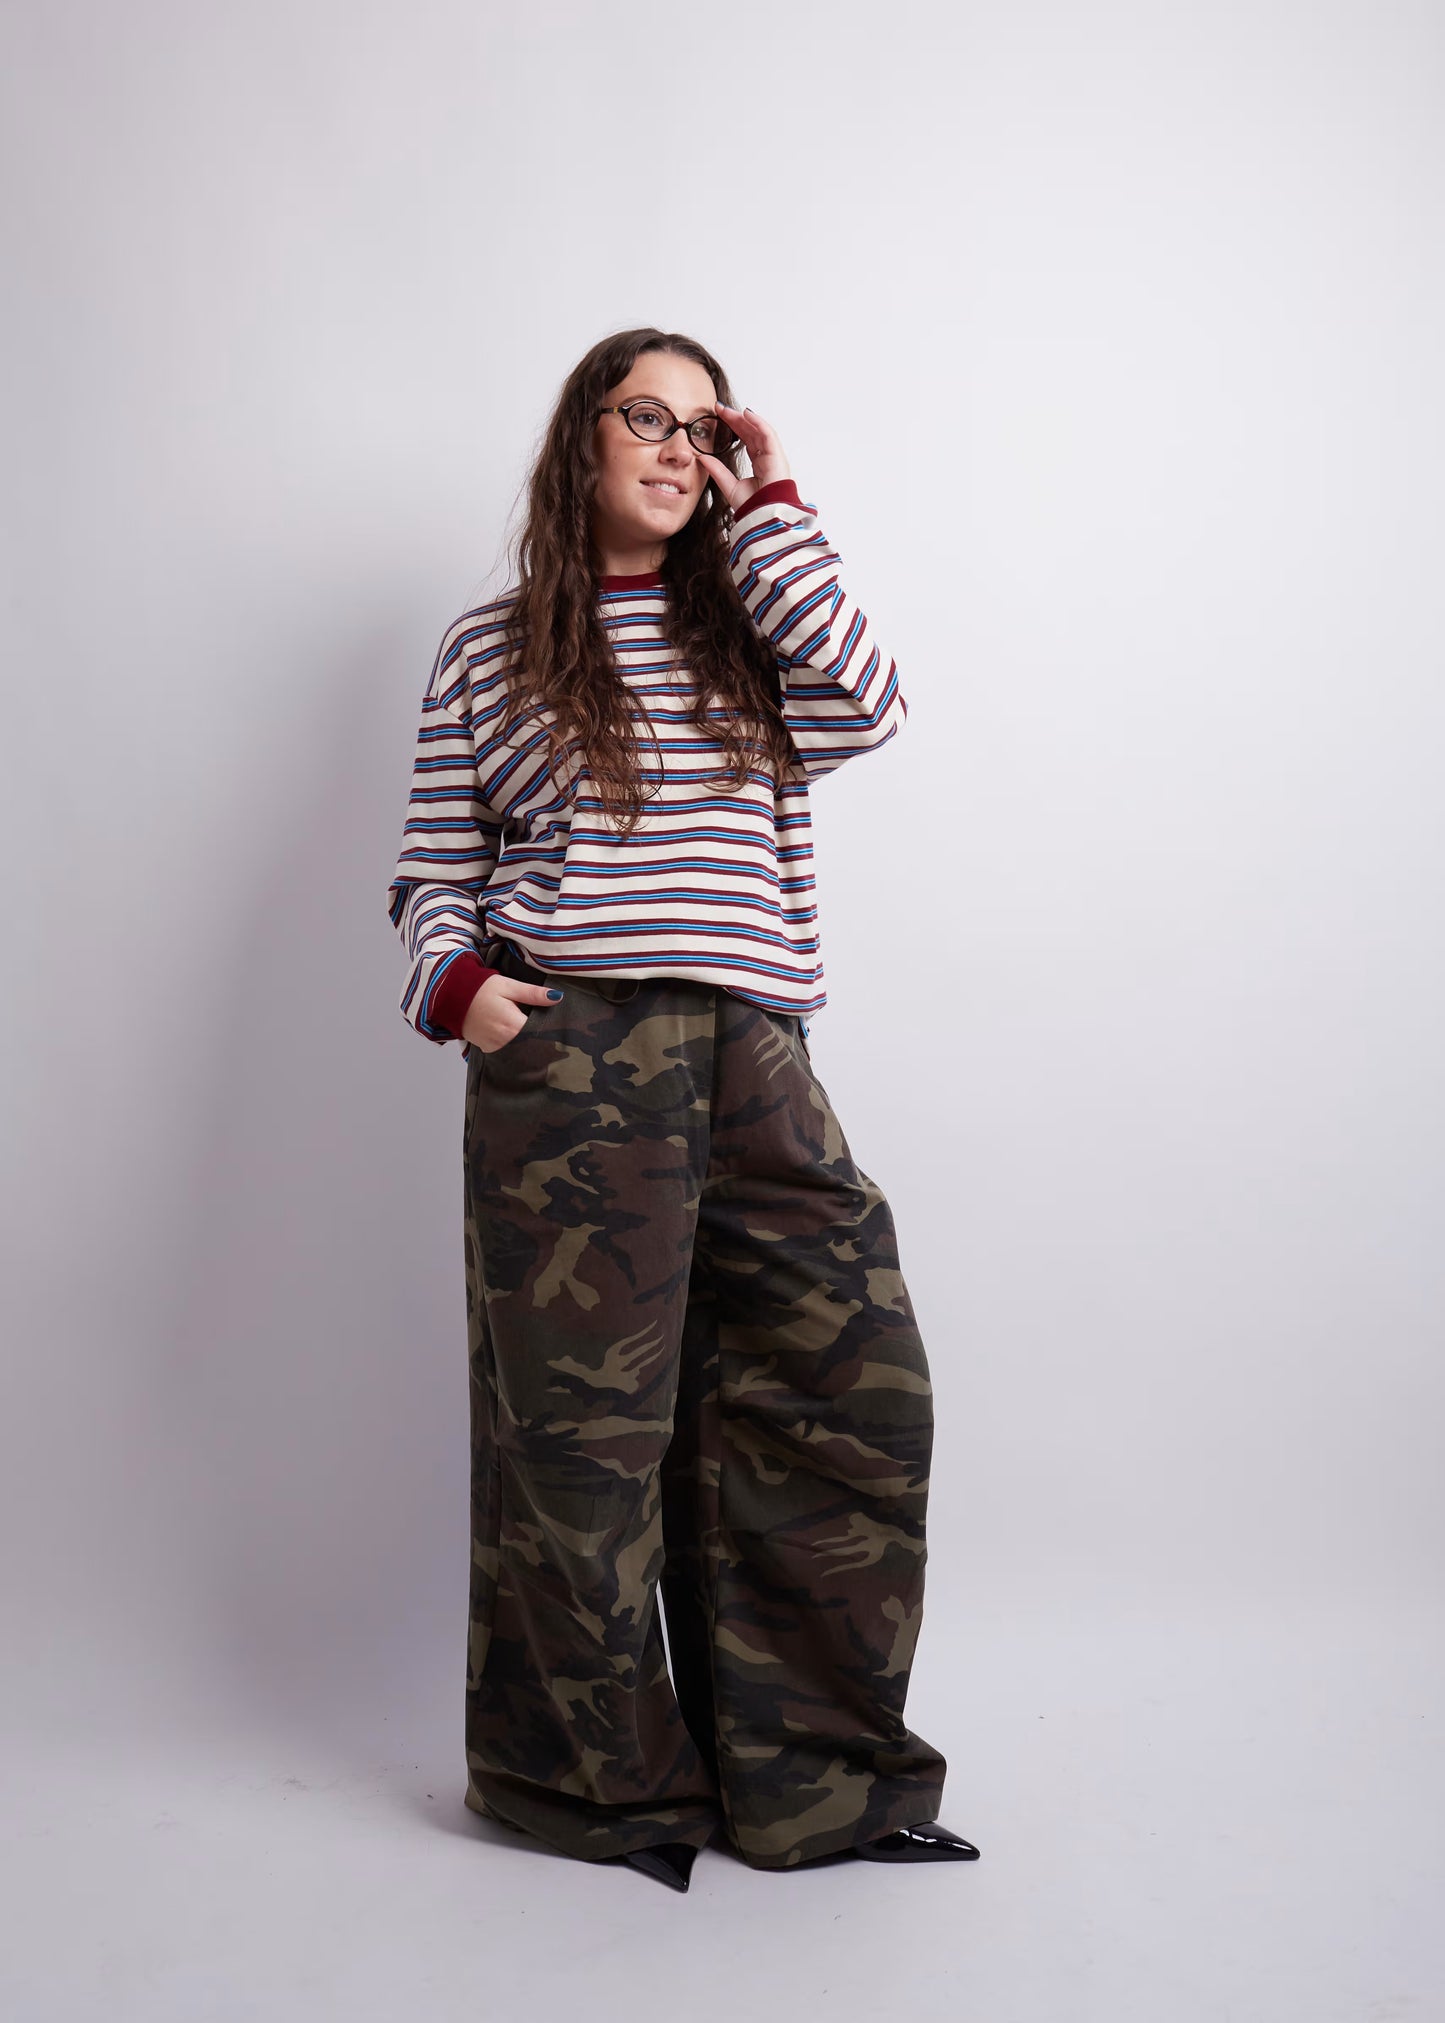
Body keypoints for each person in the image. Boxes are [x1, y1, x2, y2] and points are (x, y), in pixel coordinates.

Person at [385, 326, 979, 1892]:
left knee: (846, 1390)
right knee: (578, 1441)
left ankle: (818, 1787)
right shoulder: (490, 646)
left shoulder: (752, 632)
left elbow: (865, 701)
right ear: (578, 438)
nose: (676, 446)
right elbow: (435, 870)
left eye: (708, 430)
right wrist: (461, 991)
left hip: (756, 1051)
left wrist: (766, 504)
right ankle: (592, 1793)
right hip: (567, 1055)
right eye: (645, 415)